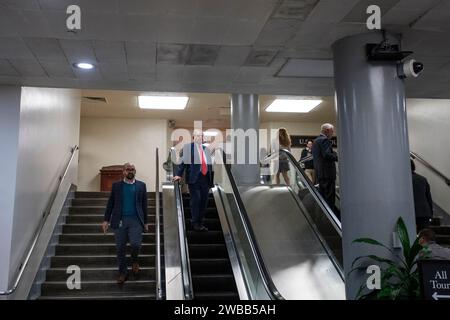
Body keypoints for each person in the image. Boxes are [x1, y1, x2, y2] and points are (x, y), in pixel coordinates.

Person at [102, 163, 149, 284]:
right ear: (123, 171)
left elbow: (144, 205)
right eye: (128, 169)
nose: (130, 171)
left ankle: (134, 261)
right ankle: (123, 272)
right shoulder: (116, 186)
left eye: (132, 169)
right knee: (120, 248)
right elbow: (110, 203)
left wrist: (146, 222)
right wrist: (106, 220)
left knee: (135, 244)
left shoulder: (141, 186)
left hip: (136, 220)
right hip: (120, 220)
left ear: (135, 171)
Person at [173, 130, 213, 232]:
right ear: (193, 137)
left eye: (202, 136)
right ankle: (195, 222)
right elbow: (182, 162)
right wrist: (178, 174)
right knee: (196, 200)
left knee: (204, 202)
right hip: (194, 179)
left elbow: (209, 166)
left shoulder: (206, 149)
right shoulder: (188, 147)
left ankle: (200, 223)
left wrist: (211, 180)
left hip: (205, 180)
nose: (200, 137)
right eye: (198, 136)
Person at [312, 123, 338, 213]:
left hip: (320, 174)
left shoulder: (316, 141)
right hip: (328, 174)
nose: (332, 133)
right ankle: (331, 222)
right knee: (329, 200)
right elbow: (327, 155)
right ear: (327, 131)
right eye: (332, 131)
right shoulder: (324, 140)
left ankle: (324, 220)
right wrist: (337, 155)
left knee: (323, 198)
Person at [411, 159, 434, 231]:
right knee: (425, 236)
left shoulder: (403, 179)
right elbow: (428, 197)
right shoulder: (422, 179)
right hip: (424, 212)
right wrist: (430, 212)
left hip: (411, 212)